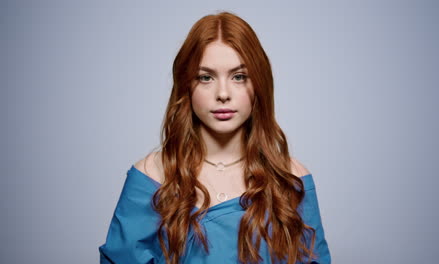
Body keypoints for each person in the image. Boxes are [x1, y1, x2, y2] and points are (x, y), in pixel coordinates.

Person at [99, 11, 331, 264]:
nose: (223, 93)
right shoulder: (152, 175)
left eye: (239, 77)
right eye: (206, 77)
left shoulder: (291, 177)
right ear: (186, 85)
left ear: (259, 84)